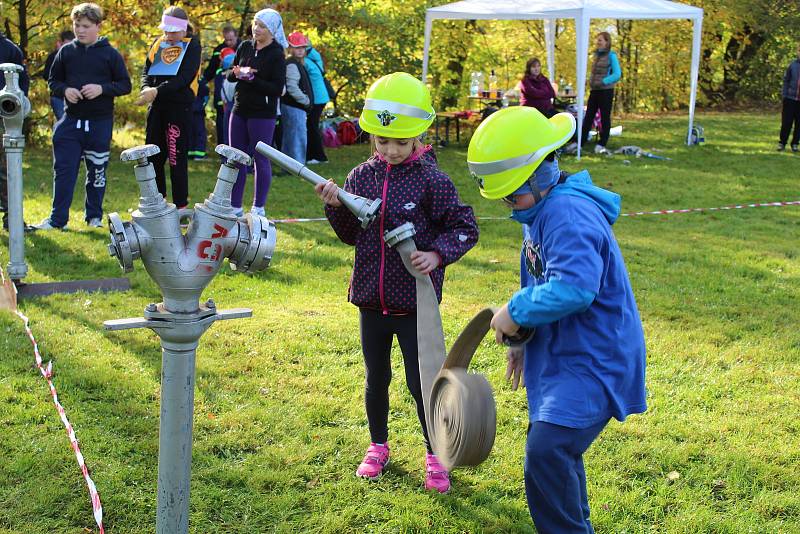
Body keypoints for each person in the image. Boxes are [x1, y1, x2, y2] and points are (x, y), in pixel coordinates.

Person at [466, 105, 647, 532]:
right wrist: (523, 340)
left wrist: (516, 311)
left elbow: (575, 287)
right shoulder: (539, 210)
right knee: (555, 451)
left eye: (513, 195)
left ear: (540, 174)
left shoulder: (566, 213)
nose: (510, 206)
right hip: (563, 353)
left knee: (548, 449)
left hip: (594, 357)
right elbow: (539, 275)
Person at [314, 72, 479, 494]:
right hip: (371, 299)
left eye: (400, 143)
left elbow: (464, 227)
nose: (389, 150)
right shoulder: (360, 176)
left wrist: (436, 254)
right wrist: (336, 207)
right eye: (382, 141)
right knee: (377, 377)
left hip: (415, 305)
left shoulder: (432, 180)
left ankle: (435, 453)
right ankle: (378, 445)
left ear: (418, 137)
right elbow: (351, 234)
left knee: (420, 382)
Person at [36, 3, 131, 231]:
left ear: (98, 26)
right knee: (64, 171)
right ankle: (57, 221)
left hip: (99, 123)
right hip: (70, 122)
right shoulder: (66, 51)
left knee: (97, 171)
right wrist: (64, 90)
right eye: (77, 25)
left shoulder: (110, 54)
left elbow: (125, 85)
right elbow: (53, 81)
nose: (80, 30)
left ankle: (94, 218)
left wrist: (102, 89)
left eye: (86, 26)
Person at [136, 5, 201, 211]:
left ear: (183, 29)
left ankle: (180, 205)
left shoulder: (192, 45)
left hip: (179, 107)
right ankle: (158, 201)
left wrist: (157, 91)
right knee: (153, 155)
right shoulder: (159, 43)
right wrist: (146, 87)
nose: (169, 35)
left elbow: (184, 78)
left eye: (173, 31)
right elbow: (146, 70)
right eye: (166, 31)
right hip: (157, 107)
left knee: (175, 156)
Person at [226, 9, 286, 218]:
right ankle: (234, 206)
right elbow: (231, 76)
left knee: (260, 158)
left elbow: (277, 88)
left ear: (271, 31)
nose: (256, 29)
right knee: (236, 157)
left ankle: (258, 207)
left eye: (261, 26)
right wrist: (236, 74)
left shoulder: (277, 54)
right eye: (254, 23)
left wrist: (254, 79)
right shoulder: (244, 46)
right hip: (239, 109)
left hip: (263, 113)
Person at [564, 31, 621, 155]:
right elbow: (595, 73)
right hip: (594, 90)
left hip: (606, 91)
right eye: (597, 40)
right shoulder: (596, 56)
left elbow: (617, 74)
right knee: (588, 116)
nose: (598, 42)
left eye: (600, 40)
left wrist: (604, 81)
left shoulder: (612, 56)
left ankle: (602, 143)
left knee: (605, 118)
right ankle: (581, 141)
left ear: (607, 42)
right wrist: (589, 80)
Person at [0, 30, 31, 231]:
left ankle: (12, 219)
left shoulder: (9, 50)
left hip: (4, 119)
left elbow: (22, 85)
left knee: (7, 170)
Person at [202, 24, 239, 147]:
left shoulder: (243, 47)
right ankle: (222, 147)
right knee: (221, 119)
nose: (228, 42)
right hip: (221, 92)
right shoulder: (219, 49)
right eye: (226, 39)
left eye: (231, 40)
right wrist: (202, 81)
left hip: (238, 91)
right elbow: (211, 69)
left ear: (236, 36)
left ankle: (236, 146)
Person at [281, 31, 313, 164]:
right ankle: (296, 166)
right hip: (294, 107)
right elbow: (292, 87)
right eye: (297, 47)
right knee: (296, 138)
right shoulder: (292, 64)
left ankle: (291, 166)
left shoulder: (297, 63)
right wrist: (306, 101)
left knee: (293, 137)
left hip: (294, 107)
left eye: (302, 47)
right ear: (290, 48)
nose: (300, 50)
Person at [303, 39, 331, 164]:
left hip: (316, 98)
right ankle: (314, 155)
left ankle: (318, 157)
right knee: (312, 126)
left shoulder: (307, 61)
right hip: (320, 96)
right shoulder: (314, 56)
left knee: (312, 126)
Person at [40, 30, 75, 121]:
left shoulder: (78, 56)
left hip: (75, 98)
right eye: (66, 45)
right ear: (60, 43)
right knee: (64, 122)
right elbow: (46, 75)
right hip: (58, 97)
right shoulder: (53, 57)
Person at [778, 42, 800, 152]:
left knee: (799, 125)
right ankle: (782, 143)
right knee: (786, 122)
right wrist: (785, 95)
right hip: (790, 99)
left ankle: (795, 143)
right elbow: (786, 81)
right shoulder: (793, 65)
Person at [188, 78, 209, 159]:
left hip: (189, 112)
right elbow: (205, 99)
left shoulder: (186, 80)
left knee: (190, 133)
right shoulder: (202, 84)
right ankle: (199, 155)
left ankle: (190, 154)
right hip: (198, 112)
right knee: (199, 134)